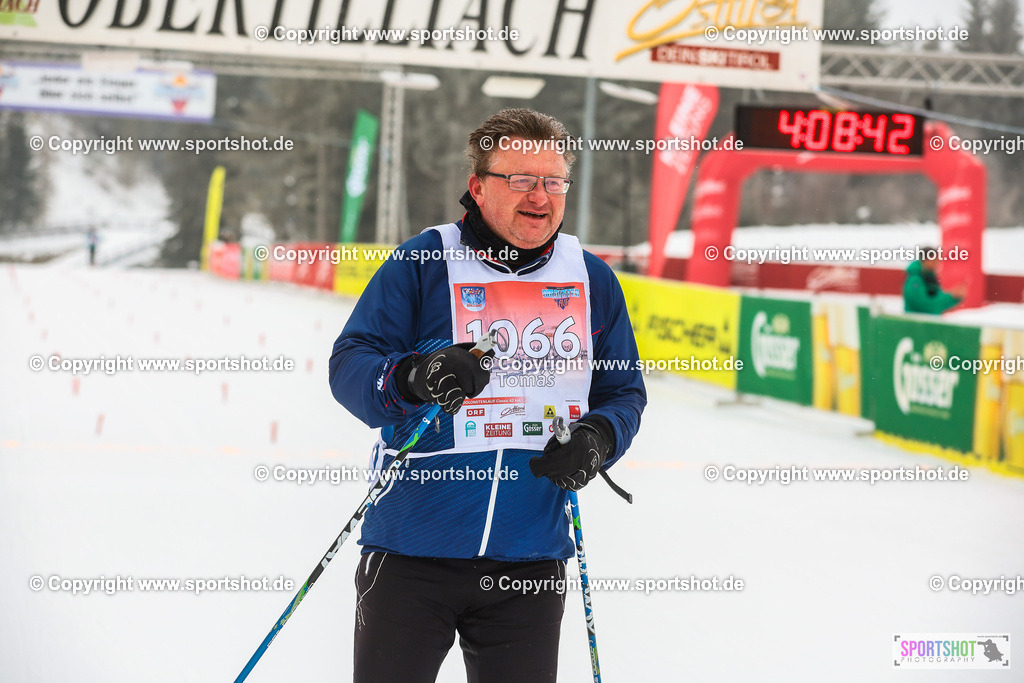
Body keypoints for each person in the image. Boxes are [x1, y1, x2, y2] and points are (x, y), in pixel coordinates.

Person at [328, 108, 646, 682]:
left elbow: (623, 392)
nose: (541, 196)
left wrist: (598, 439)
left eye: (553, 181)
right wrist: (415, 377)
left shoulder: (591, 277)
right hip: (411, 551)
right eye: (521, 179)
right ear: (478, 187)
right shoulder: (423, 261)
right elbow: (351, 366)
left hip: (528, 562)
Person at [903, 247, 963, 314]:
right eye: (933, 260)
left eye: (938, 261)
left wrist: (954, 296)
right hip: (916, 323)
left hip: (926, 322)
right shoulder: (915, 280)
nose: (937, 264)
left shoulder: (930, 277)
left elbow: (936, 299)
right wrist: (950, 297)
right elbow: (924, 305)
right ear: (925, 260)